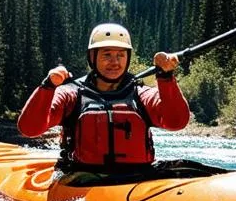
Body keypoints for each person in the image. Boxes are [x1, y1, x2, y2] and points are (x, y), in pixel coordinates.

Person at [17, 22, 190, 173]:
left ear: (127, 58)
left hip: (137, 179)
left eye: (120, 55)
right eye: (107, 55)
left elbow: (176, 122)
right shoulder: (72, 93)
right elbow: (29, 128)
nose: (115, 62)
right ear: (93, 58)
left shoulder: (141, 94)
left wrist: (166, 78)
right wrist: (48, 86)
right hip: (82, 179)